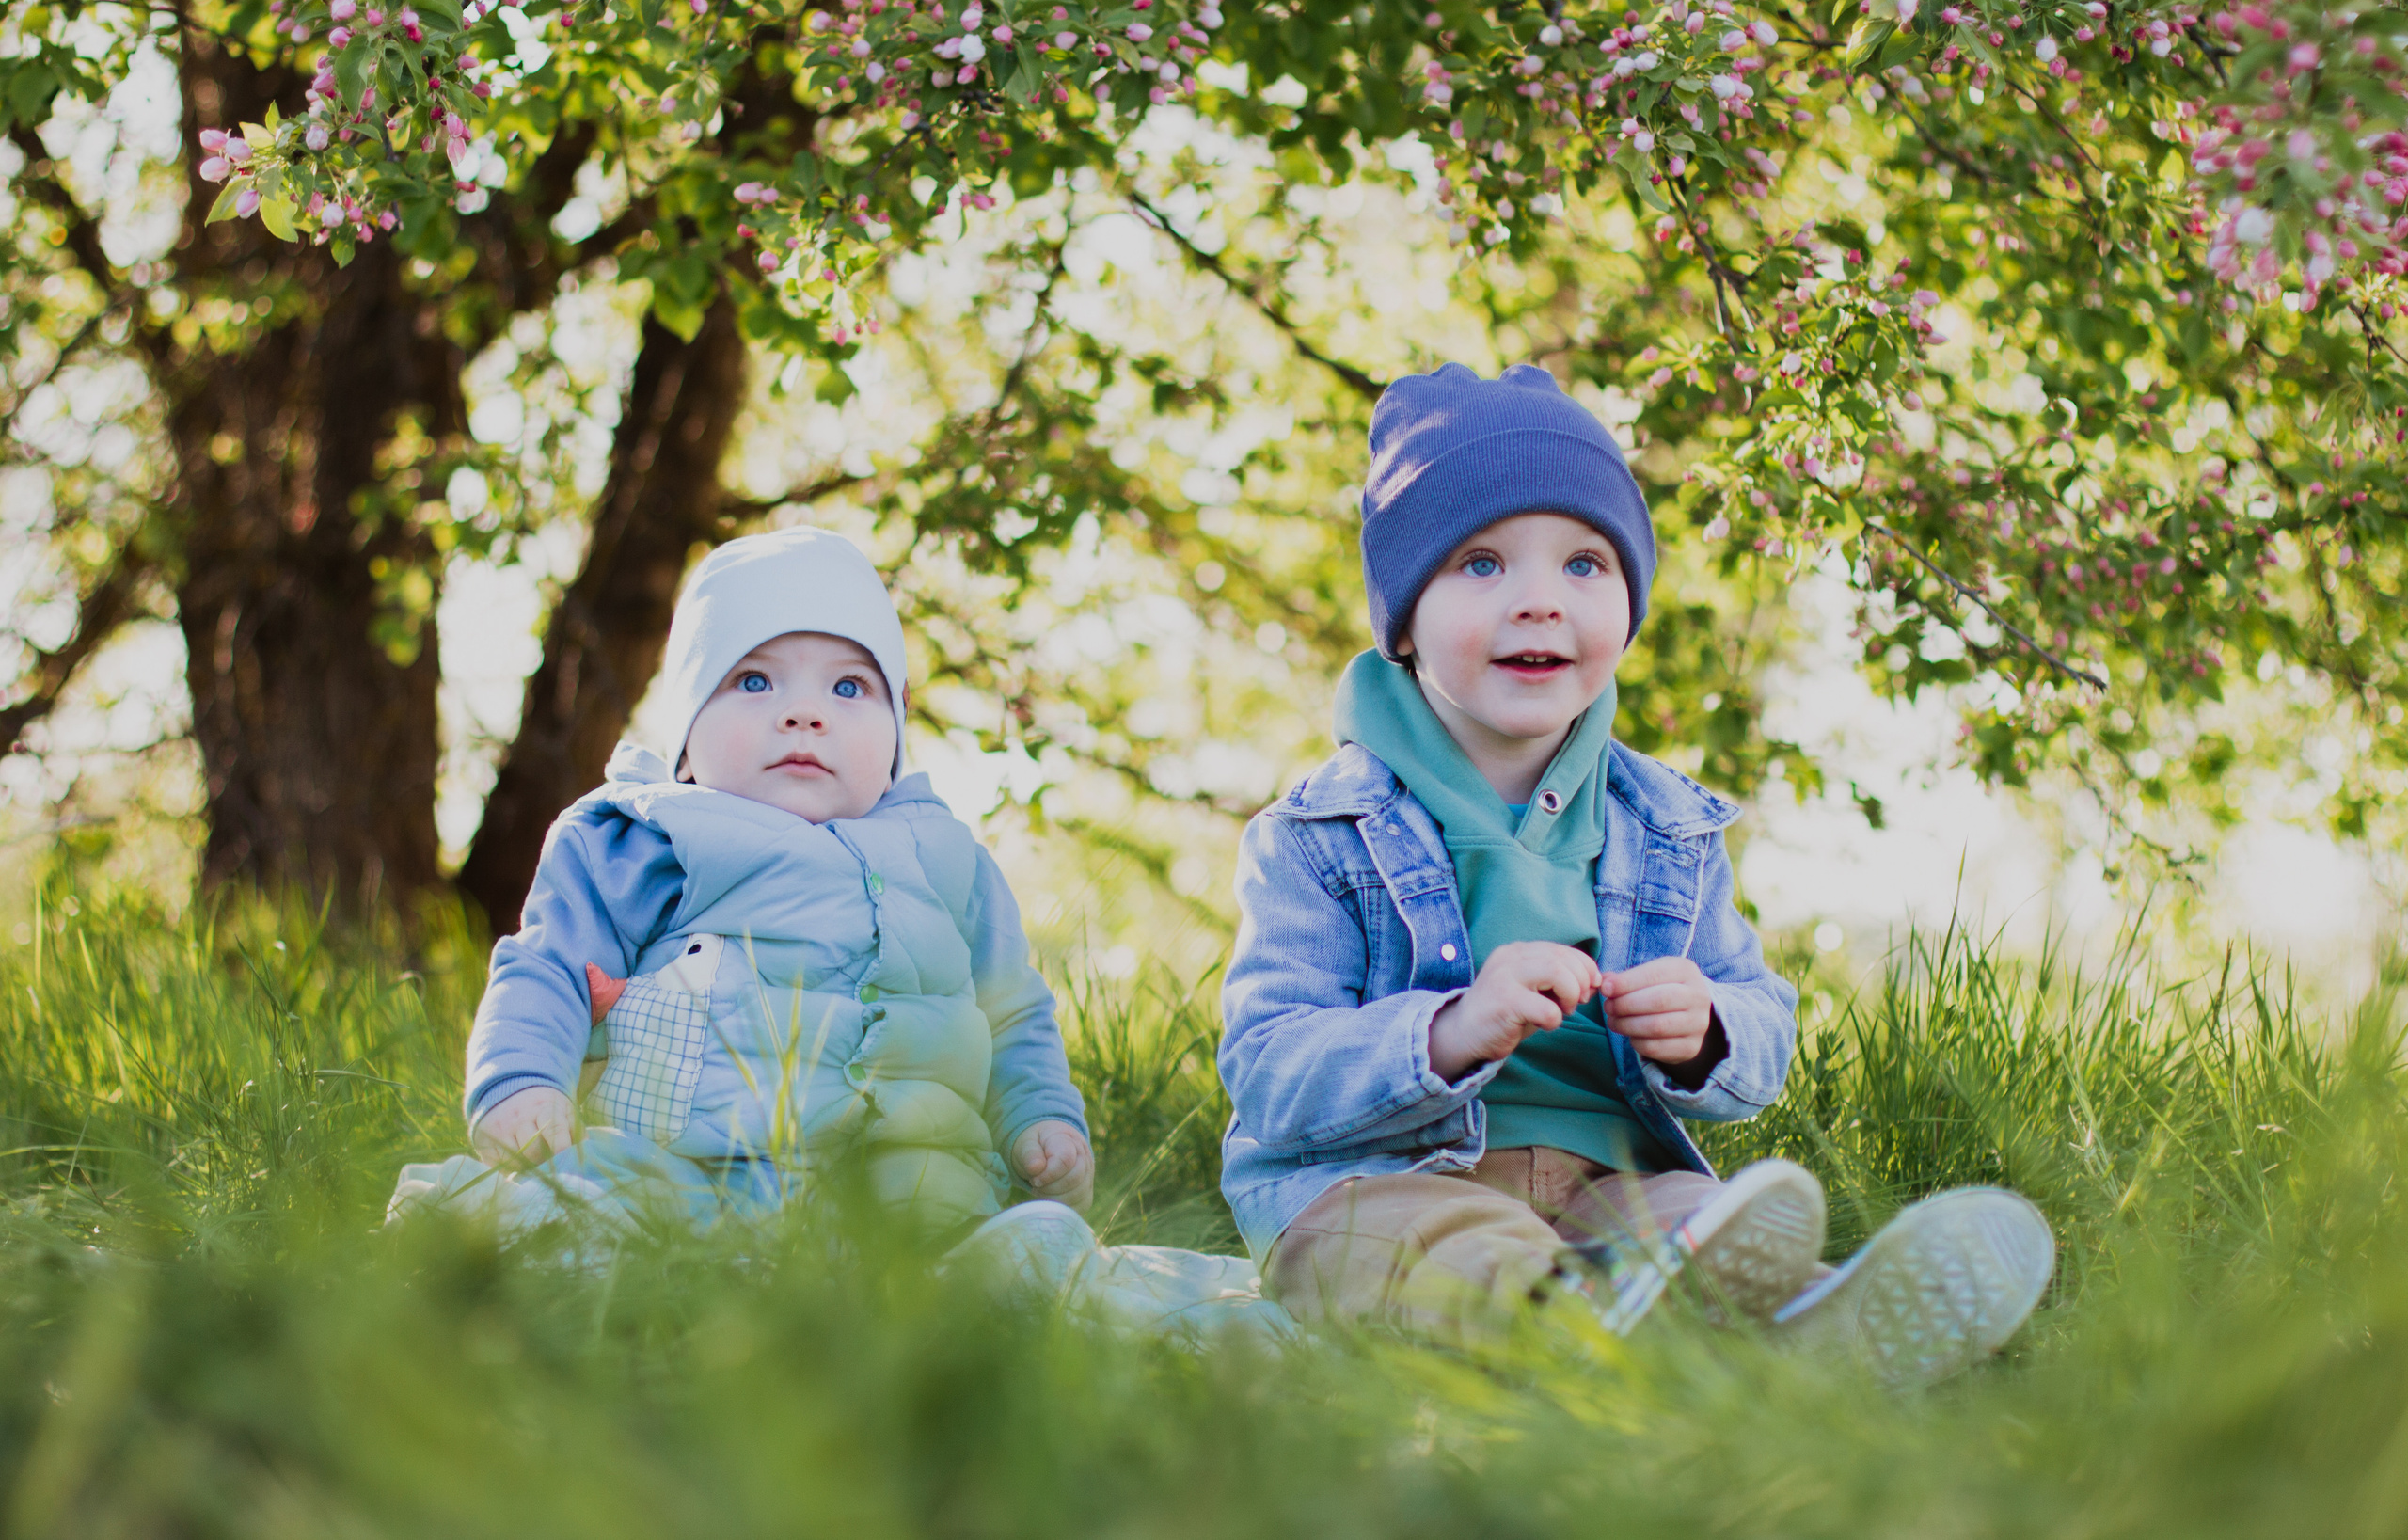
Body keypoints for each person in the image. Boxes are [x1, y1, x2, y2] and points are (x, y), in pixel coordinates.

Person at [1216, 363, 2052, 1385]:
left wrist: (1706, 1031)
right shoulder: (1317, 833)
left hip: (1608, 1179)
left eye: (1585, 563)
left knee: (1698, 1218)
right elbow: (1267, 1070)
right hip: (1382, 1187)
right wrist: (1449, 1030)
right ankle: (1593, 1332)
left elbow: (1762, 1023)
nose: (1539, 602)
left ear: (1628, 602)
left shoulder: (1667, 826)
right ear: (1403, 617)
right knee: (1455, 1254)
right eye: (1480, 563)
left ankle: (1808, 1319)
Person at [454, 526, 1093, 1239]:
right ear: (686, 738)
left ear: (896, 728)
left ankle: (983, 1266)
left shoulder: (946, 861)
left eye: (849, 686)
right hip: (682, 1173)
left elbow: (1011, 1012)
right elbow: (550, 965)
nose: (805, 714)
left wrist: (1041, 1117)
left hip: (905, 1188)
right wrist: (522, 1077)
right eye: (754, 681)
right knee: (576, 1210)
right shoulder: (648, 836)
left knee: (1021, 1239)